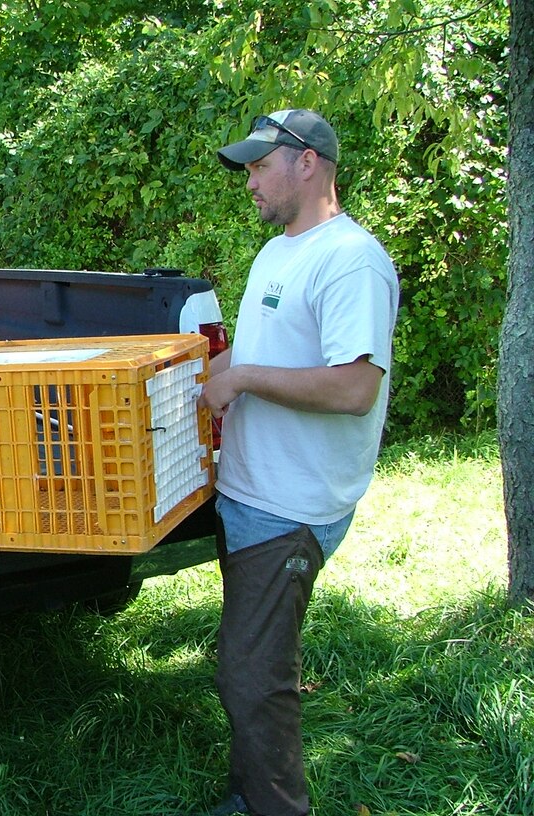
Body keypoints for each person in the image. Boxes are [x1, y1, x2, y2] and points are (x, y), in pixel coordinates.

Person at [197, 110, 399, 816]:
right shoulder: (279, 251)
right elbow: (255, 353)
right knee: (245, 662)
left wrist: (243, 380)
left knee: (253, 678)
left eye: (259, 165)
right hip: (248, 492)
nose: (249, 180)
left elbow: (354, 387)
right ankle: (246, 795)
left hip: (292, 506)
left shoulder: (351, 261)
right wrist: (182, 375)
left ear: (308, 162)